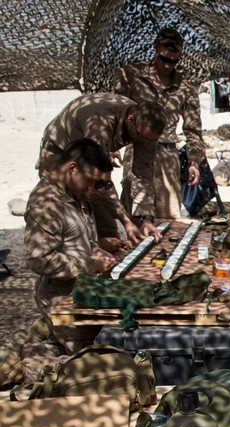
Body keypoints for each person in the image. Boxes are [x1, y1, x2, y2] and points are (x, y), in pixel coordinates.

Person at [24, 138, 129, 352]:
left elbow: (73, 240)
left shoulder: (76, 192)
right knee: (91, 361)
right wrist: (91, 264)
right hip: (62, 298)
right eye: (93, 182)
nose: (96, 189)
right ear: (72, 168)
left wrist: (101, 245)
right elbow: (40, 259)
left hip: (87, 291)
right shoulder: (46, 203)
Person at [36, 93, 166, 245]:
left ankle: (102, 257)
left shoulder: (145, 130)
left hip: (88, 152)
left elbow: (143, 172)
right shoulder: (100, 122)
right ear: (130, 119)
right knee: (74, 219)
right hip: (59, 152)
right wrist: (126, 221)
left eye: (150, 140)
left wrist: (146, 218)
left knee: (108, 231)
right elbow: (101, 181)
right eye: (141, 137)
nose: (144, 143)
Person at [113, 26, 207, 221]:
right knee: (135, 211)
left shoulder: (185, 88)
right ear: (155, 49)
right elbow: (115, 111)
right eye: (164, 59)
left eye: (173, 61)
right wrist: (112, 147)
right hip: (135, 148)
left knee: (168, 217)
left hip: (166, 154)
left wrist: (194, 162)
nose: (168, 65)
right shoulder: (131, 75)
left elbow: (193, 130)